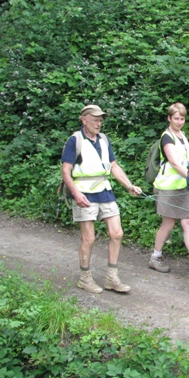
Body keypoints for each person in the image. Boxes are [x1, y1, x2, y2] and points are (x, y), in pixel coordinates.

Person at [61, 104, 142, 294]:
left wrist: (129, 185)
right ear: (84, 119)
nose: (99, 123)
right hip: (84, 191)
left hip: (105, 190)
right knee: (88, 237)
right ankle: (84, 278)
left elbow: (114, 166)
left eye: (101, 120)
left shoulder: (104, 140)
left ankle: (111, 278)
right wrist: (75, 193)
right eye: (95, 119)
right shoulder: (75, 140)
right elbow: (66, 170)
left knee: (117, 233)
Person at [148, 103, 189, 278]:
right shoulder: (166, 137)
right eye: (176, 118)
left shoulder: (182, 136)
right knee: (168, 224)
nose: (179, 121)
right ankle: (155, 256)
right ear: (169, 118)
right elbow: (174, 163)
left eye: (182, 118)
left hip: (184, 188)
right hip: (168, 187)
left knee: (188, 223)